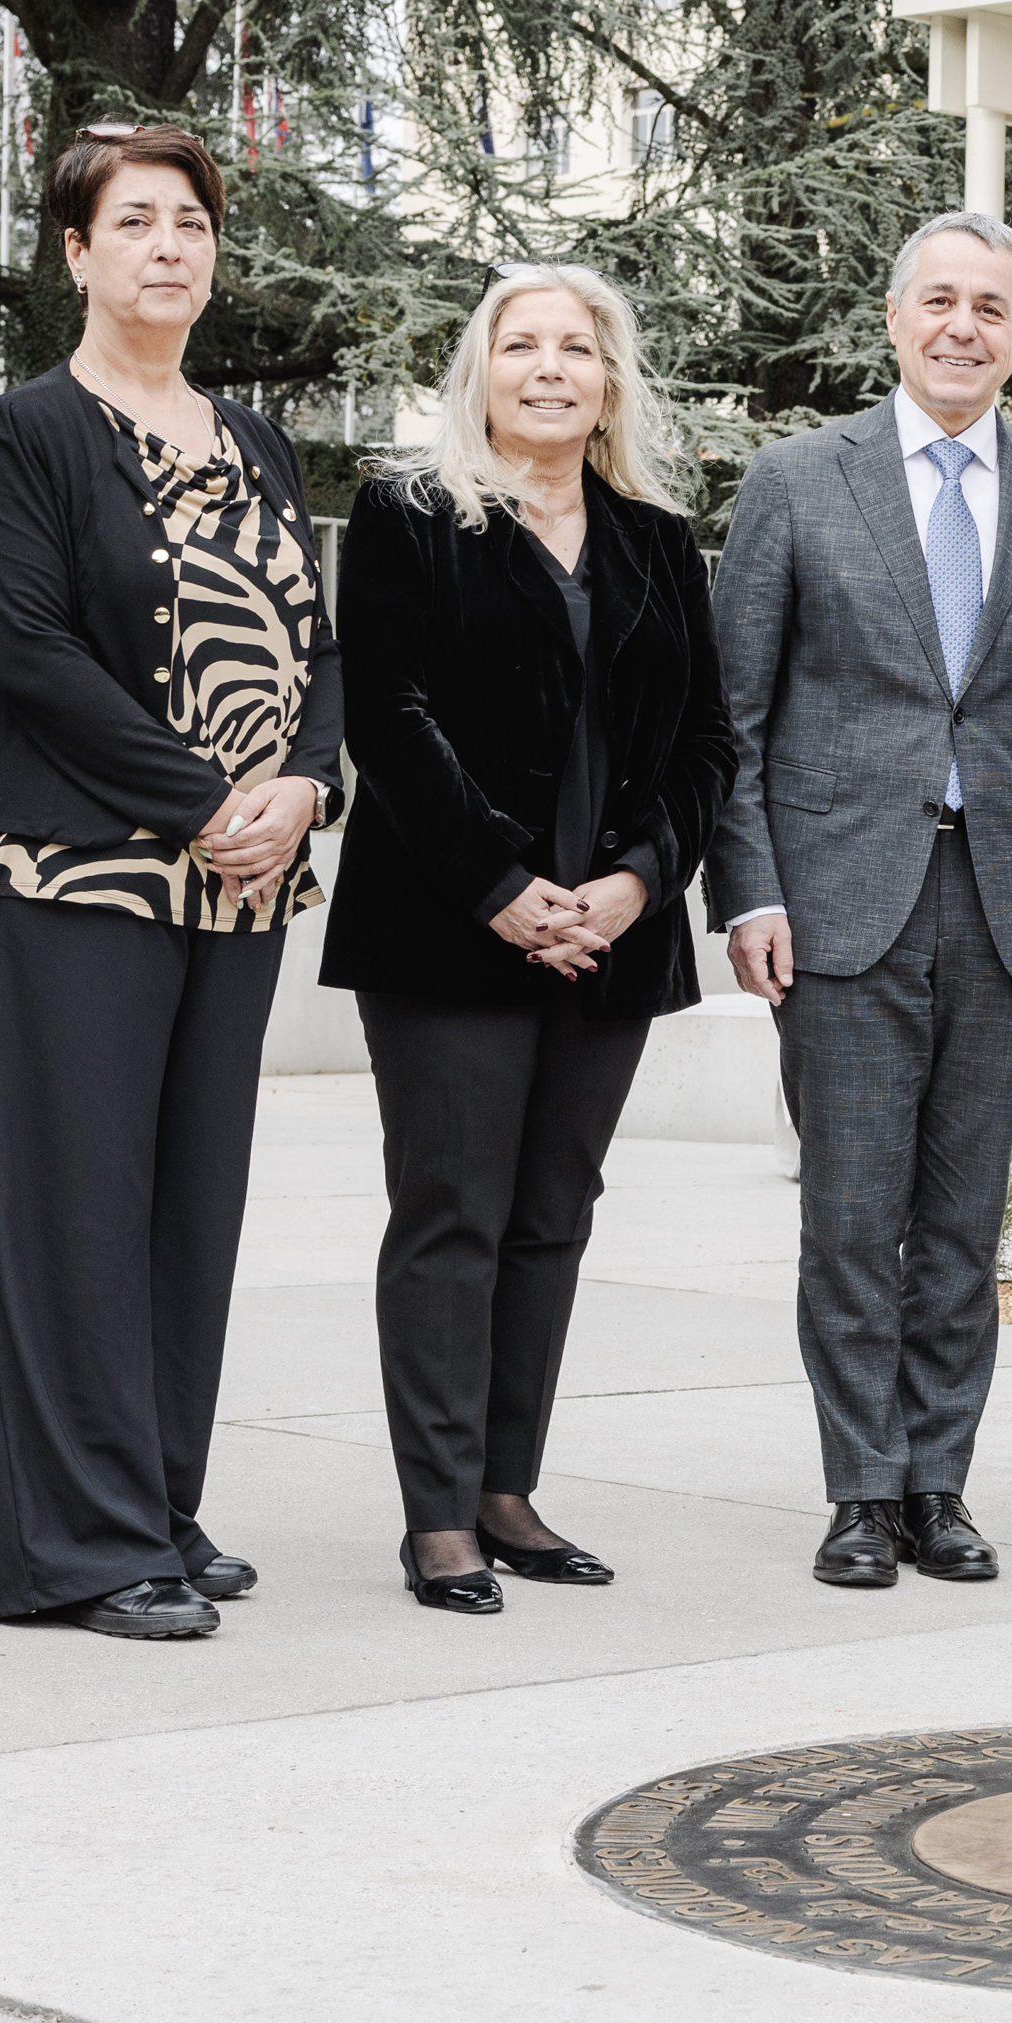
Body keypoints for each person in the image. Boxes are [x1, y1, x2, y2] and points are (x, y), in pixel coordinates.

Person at [0, 125, 344, 1639]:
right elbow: (34, 653)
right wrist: (203, 801)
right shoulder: (31, 430)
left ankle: (160, 1505)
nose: (169, 247)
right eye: (136, 223)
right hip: (77, 879)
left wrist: (306, 786)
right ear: (78, 252)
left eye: (191, 222)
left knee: (191, 1208)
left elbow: (316, 645)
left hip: (241, 888)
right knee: (76, 1212)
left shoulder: (255, 440)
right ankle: (80, 1550)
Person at [705, 213, 1012, 1588]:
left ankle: (938, 1481)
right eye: (939, 301)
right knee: (849, 1212)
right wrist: (749, 888)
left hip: (1006, 905)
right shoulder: (797, 480)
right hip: (839, 904)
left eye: (991, 308)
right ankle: (859, 1490)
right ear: (894, 320)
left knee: (961, 1215)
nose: (963, 328)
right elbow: (738, 712)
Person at [324, 270, 733, 1613]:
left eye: (579, 347)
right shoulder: (409, 515)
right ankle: (437, 1516)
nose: (549, 367)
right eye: (522, 344)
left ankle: (509, 1491)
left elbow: (704, 749)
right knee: (453, 1215)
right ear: (480, 371)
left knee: (552, 1216)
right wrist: (502, 884)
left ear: (611, 380)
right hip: (449, 929)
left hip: (611, 934)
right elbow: (387, 718)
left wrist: (635, 884)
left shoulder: (660, 539)